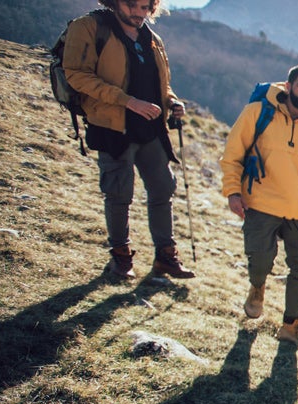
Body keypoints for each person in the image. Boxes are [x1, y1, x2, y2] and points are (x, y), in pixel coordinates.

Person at [62, 0, 194, 280]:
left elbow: (160, 82)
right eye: (132, 4)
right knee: (119, 192)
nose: (139, 12)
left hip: (151, 129)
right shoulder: (89, 27)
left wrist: (172, 101)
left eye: (146, 7)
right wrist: (127, 101)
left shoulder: (151, 37)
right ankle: (120, 258)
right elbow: (76, 75)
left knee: (163, 189)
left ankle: (165, 257)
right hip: (112, 126)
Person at [219, 65, 298, 349]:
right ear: (287, 87)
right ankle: (257, 287)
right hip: (261, 202)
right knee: (261, 260)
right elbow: (233, 154)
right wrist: (232, 192)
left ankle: (290, 327)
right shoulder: (257, 114)